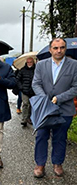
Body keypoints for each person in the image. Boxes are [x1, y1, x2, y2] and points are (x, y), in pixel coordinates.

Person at [32, 38, 77, 178]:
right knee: (41, 136)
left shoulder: (74, 65)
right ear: (50, 49)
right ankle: (40, 164)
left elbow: (76, 87)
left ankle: (57, 163)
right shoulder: (41, 65)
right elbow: (36, 84)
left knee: (60, 137)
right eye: (56, 48)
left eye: (62, 47)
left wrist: (59, 98)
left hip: (65, 109)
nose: (59, 50)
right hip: (44, 109)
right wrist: (45, 99)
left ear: (65, 49)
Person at [17, 57, 35, 126]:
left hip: (33, 91)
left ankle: (29, 118)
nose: (29, 63)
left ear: (33, 62)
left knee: (32, 105)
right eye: (28, 62)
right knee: (25, 104)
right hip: (24, 90)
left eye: (31, 62)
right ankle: (24, 119)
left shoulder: (36, 70)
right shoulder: (22, 70)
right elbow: (17, 79)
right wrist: (21, 87)